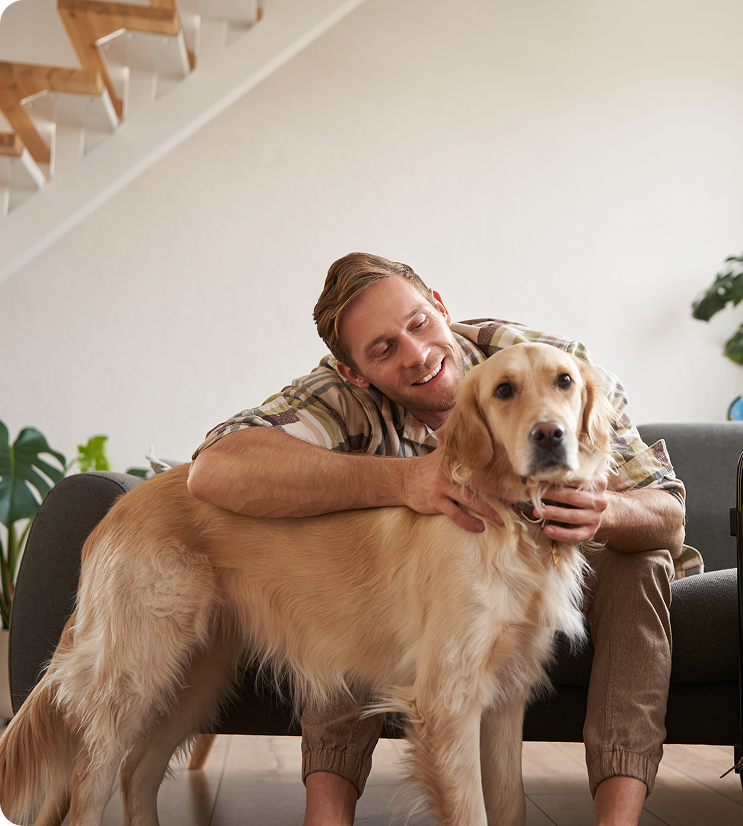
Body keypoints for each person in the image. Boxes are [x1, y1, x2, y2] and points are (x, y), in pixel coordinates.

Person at [187, 252, 686, 826]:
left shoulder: (555, 365)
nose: (417, 353)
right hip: (456, 574)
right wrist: (400, 479)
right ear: (352, 371)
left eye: (420, 323)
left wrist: (607, 513)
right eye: (383, 348)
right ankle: (326, 815)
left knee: (643, 558)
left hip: (584, 561)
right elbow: (214, 468)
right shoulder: (340, 394)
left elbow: (668, 513)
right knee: (347, 556)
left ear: (441, 308)